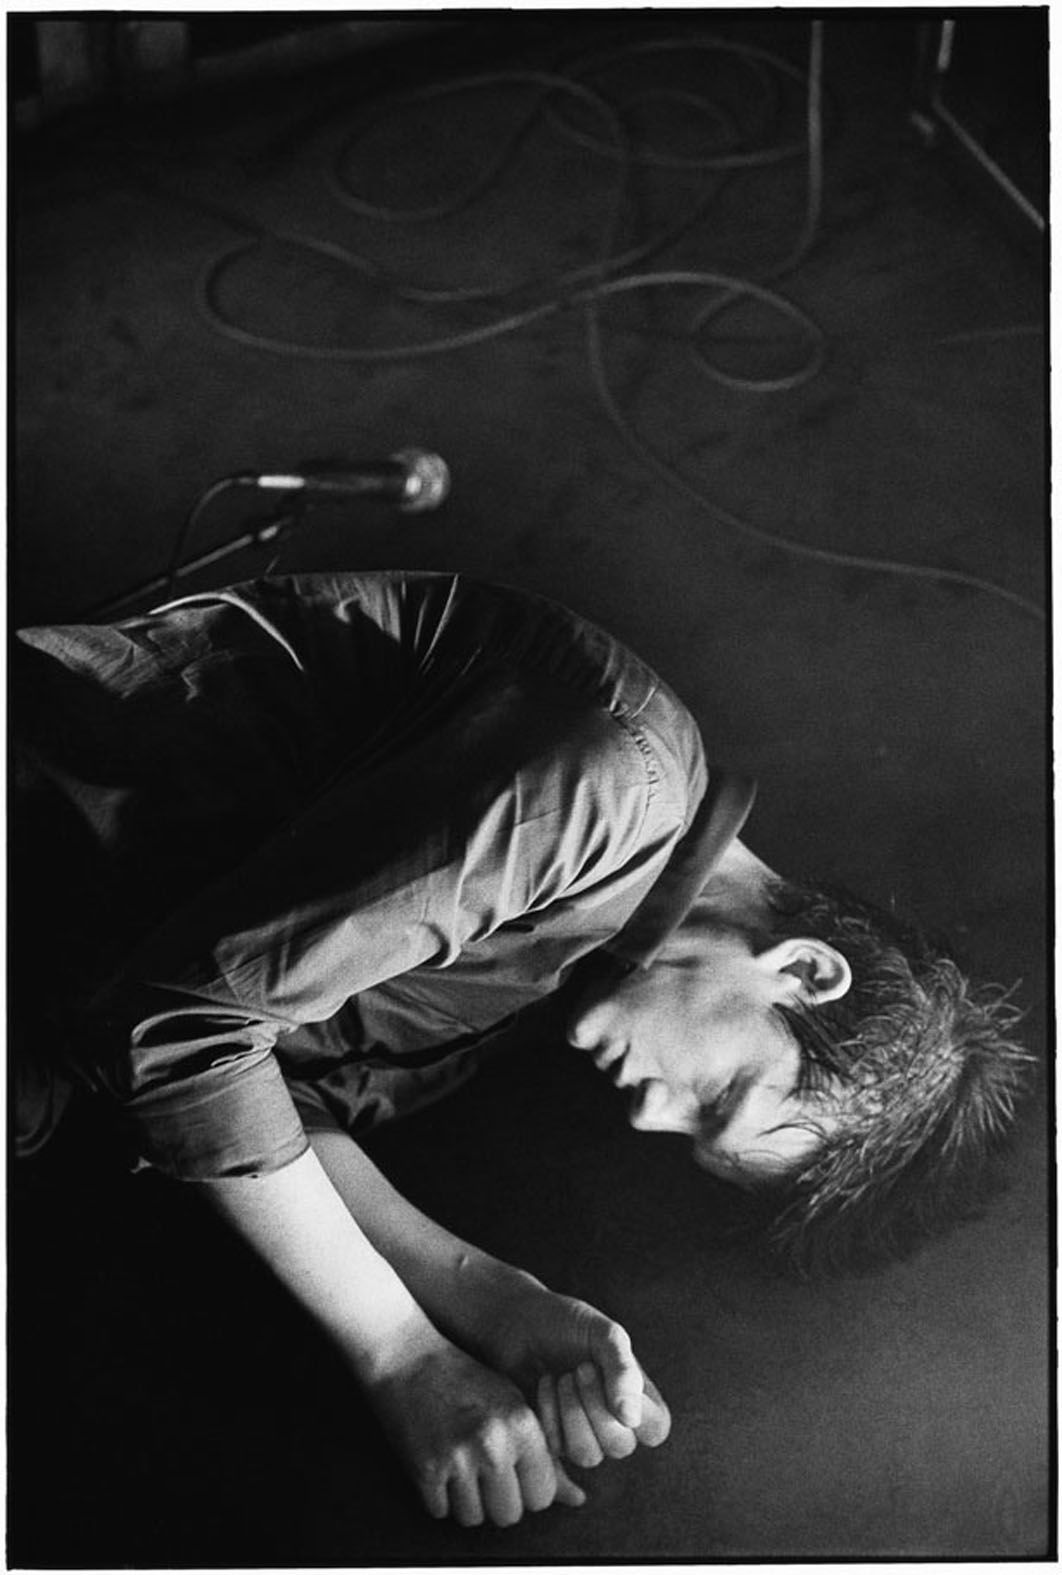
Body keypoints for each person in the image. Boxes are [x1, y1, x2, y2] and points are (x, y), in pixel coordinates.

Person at [12, 569, 1030, 1530]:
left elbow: (259, 1100)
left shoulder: (573, 962)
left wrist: (487, 1297)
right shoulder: (612, 793)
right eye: (720, 1098)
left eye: (693, 1136)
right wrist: (402, 1352)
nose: (650, 1117)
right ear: (803, 970)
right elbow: (189, 1028)